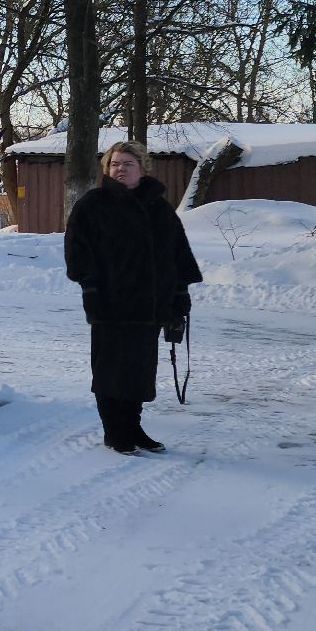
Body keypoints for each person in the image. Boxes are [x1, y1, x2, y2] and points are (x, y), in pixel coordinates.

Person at [64, 140, 204, 454]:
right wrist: (90, 289)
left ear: (143, 168)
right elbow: (77, 252)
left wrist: (180, 295)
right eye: (114, 164)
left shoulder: (159, 207)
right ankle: (114, 431)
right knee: (110, 369)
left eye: (128, 164)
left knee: (139, 370)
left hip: (150, 305)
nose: (120, 169)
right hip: (110, 303)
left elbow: (178, 253)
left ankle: (133, 426)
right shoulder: (92, 205)